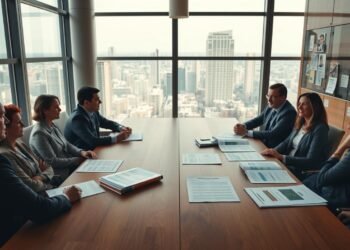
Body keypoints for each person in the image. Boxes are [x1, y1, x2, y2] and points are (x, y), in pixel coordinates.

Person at [0, 101, 82, 247]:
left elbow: (47, 167)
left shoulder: (20, 144)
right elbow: (39, 207)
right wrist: (66, 197)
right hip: (17, 235)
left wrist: (40, 176)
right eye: (1, 116)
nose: (5, 121)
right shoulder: (3, 158)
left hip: (45, 193)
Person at [261, 92, 329, 179]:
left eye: (304, 104)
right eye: (299, 104)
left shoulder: (320, 129)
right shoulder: (301, 123)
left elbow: (311, 160)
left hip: (299, 171)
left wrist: (282, 157)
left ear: (314, 107)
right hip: (287, 165)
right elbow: (287, 142)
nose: (299, 107)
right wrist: (272, 151)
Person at [30, 95, 97, 180]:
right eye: (56, 107)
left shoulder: (52, 125)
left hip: (70, 167)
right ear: (45, 110)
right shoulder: (39, 134)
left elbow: (67, 144)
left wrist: (82, 152)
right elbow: (53, 162)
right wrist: (78, 160)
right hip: (60, 175)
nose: (60, 110)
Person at [0, 104, 56, 193]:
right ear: (6, 126)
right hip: (40, 195)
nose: (23, 124)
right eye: (18, 122)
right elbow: (31, 186)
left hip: (48, 189)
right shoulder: (5, 154)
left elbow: (49, 167)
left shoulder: (19, 143)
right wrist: (43, 177)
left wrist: (39, 177)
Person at [64, 86, 132, 150]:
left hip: (95, 150)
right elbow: (92, 141)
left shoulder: (92, 112)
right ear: (86, 103)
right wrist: (116, 138)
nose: (100, 102)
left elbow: (106, 123)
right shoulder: (77, 119)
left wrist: (121, 128)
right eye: (96, 100)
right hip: (83, 157)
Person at [234, 83, 297, 148]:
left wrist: (246, 132)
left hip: (274, 150)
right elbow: (258, 120)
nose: (269, 100)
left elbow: (272, 134)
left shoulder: (289, 113)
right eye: (268, 96)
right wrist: (242, 126)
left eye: (273, 97)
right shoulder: (272, 105)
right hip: (263, 144)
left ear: (283, 98)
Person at [303, 126, 350, 209]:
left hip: (337, 201)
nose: (348, 127)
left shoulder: (320, 128)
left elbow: (322, 179)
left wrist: (341, 147)